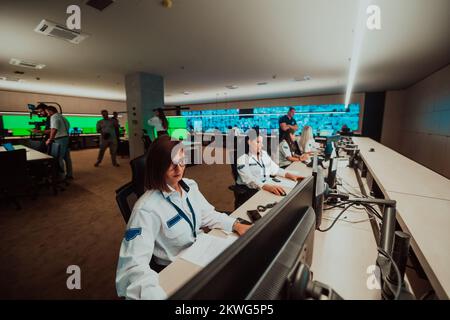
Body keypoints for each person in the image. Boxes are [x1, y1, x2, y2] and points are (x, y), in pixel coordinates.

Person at [116, 136, 251, 299]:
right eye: (171, 164)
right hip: (178, 267)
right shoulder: (146, 209)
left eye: (182, 161)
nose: (179, 169)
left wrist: (236, 224)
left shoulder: (189, 185)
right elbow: (132, 268)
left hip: (201, 251)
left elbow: (206, 214)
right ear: (158, 166)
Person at [236, 130, 304, 203]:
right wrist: (265, 186)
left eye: (262, 143)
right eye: (258, 142)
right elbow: (249, 180)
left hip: (267, 184)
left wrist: (288, 174)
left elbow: (274, 169)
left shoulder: (264, 154)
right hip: (250, 189)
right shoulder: (242, 158)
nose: (261, 145)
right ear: (249, 142)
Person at [45, 106, 73, 180]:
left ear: (51, 111)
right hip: (66, 138)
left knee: (58, 158)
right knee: (67, 158)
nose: (47, 114)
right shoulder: (62, 117)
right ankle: (70, 174)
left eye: (47, 112)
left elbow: (54, 129)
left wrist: (50, 139)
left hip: (60, 139)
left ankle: (61, 177)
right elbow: (55, 129)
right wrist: (41, 131)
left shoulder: (53, 117)